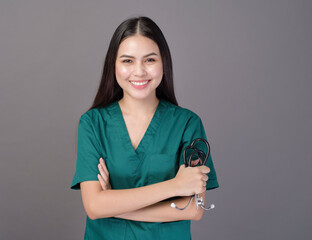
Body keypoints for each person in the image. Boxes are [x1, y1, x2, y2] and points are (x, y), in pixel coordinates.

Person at [71, 16, 219, 240]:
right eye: (127, 61)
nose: (139, 71)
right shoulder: (93, 123)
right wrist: (174, 186)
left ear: (164, 63)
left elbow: (193, 209)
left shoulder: (187, 124)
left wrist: (113, 202)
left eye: (149, 60)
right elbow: (93, 206)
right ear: (113, 65)